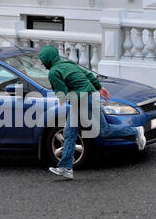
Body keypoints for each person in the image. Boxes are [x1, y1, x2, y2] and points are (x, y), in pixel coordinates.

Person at [38, 45, 146, 180]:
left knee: (104, 130)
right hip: (85, 97)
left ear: (48, 59)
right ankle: (66, 167)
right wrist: (99, 87)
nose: (41, 63)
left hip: (85, 99)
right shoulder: (67, 63)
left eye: (42, 59)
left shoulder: (53, 72)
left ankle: (136, 132)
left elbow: (63, 96)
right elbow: (87, 74)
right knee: (69, 132)